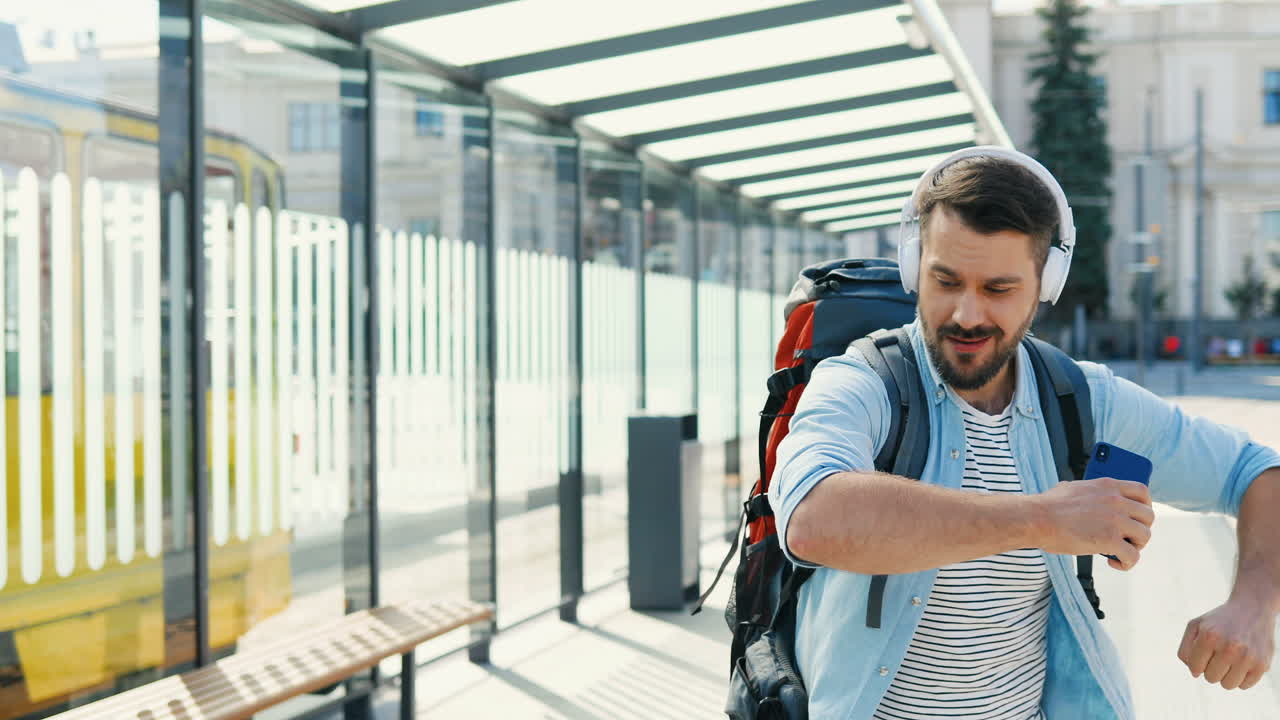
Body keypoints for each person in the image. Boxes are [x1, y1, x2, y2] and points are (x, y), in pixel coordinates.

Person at [769, 148, 1280, 720]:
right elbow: (813, 520)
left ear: (1045, 285)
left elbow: (1257, 472)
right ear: (915, 267)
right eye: (946, 280)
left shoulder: (1082, 398)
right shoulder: (862, 382)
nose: (966, 313)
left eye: (998, 289)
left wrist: (1256, 603)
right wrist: (1042, 519)